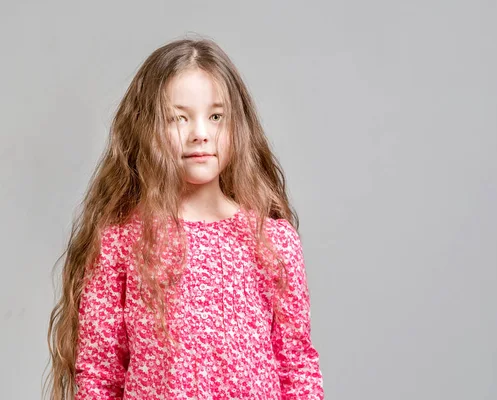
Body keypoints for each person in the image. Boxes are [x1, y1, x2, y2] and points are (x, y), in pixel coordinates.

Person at [45, 37, 324, 400]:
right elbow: (99, 375)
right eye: (179, 117)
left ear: (237, 125)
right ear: (148, 128)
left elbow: (296, 367)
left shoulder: (272, 240)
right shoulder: (121, 242)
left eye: (216, 116)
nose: (200, 134)